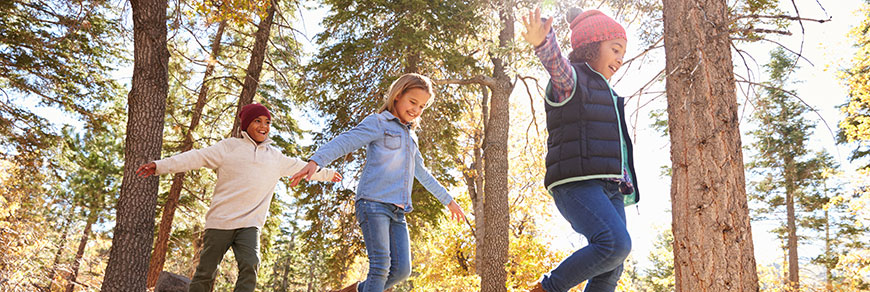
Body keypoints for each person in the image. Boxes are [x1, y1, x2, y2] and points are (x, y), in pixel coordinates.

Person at [136, 103, 342, 292]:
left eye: (267, 122)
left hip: (249, 224)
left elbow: (302, 168)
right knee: (206, 272)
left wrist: (327, 174)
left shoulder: (275, 157)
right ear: (246, 124)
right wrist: (159, 166)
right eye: (257, 121)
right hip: (220, 222)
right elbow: (195, 157)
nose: (264, 126)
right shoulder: (228, 148)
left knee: (251, 263)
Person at [289, 73, 467, 292]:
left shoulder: (412, 137)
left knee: (402, 270)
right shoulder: (379, 123)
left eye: (422, 106)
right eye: (413, 102)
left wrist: (448, 200)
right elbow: (346, 140)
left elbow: (422, 173)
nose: (416, 110)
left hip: (397, 210)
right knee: (381, 266)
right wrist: (317, 161)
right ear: (397, 96)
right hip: (373, 202)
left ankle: (354, 290)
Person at [520, 7, 640, 292]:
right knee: (614, 244)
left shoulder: (608, 93)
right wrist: (543, 41)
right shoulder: (573, 81)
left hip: (611, 186)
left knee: (613, 265)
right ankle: (546, 289)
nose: (620, 58)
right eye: (615, 49)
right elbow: (556, 65)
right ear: (590, 47)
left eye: (623, 52)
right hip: (577, 183)